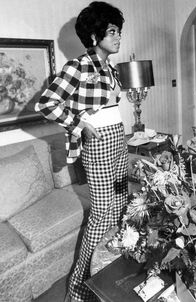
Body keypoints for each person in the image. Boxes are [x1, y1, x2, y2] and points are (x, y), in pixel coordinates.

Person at [34, 1, 128, 301]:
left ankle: (109, 274)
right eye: (112, 31)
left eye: (118, 31)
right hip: (98, 143)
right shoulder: (77, 66)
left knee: (119, 205)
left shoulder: (110, 68)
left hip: (118, 139)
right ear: (94, 36)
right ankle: (78, 288)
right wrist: (79, 126)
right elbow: (46, 104)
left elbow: (108, 106)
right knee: (100, 214)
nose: (118, 36)